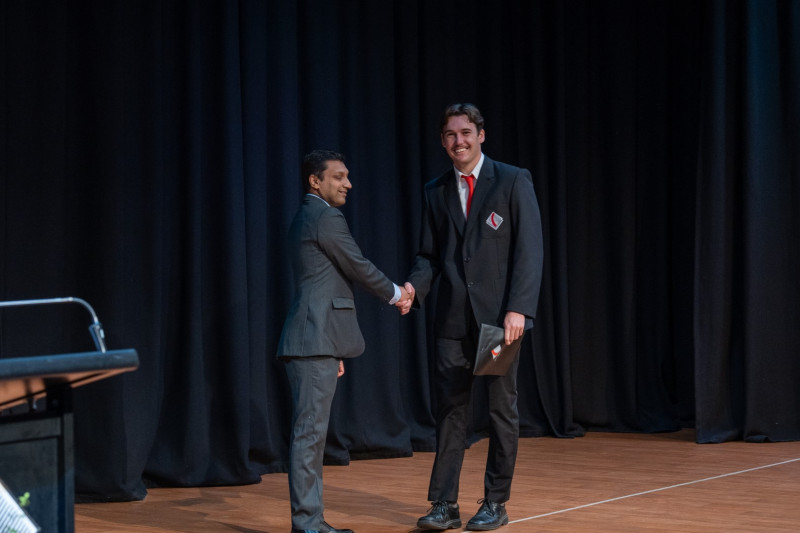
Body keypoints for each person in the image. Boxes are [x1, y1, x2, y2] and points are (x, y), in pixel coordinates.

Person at [402, 103, 544, 531]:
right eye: (450, 134)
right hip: (451, 321)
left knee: (500, 410)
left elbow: (529, 250)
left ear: (481, 135)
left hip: (498, 321)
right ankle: (444, 504)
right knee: (450, 411)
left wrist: (519, 308)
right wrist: (414, 288)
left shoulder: (512, 180)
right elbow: (428, 255)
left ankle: (495, 501)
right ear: (442, 141)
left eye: (465, 132)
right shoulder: (436, 190)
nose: (458, 141)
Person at [277, 149, 411, 533]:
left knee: (312, 437)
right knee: (309, 437)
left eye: (347, 176)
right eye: (338, 176)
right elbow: (358, 265)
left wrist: (334, 346)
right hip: (312, 340)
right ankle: (308, 525)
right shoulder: (324, 216)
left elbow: (323, 283)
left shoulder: (308, 216)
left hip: (317, 339)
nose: (348, 183)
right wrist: (397, 293)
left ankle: (312, 522)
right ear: (314, 181)